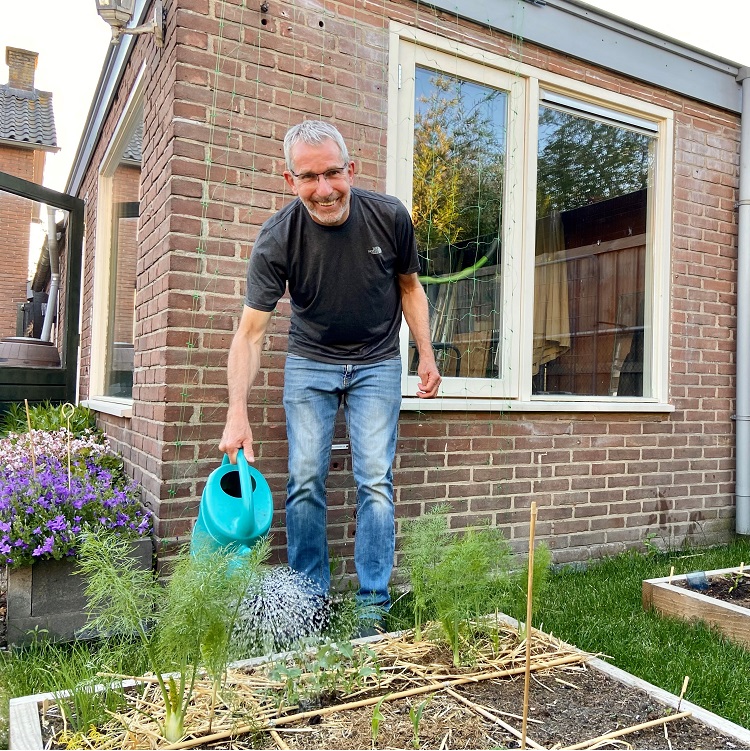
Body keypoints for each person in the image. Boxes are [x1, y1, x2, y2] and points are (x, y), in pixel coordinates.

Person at [219, 120, 441, 625]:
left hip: (378, 361)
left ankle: (372, 607)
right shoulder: (277, 239)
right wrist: (237, 412)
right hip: (310, 361)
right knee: (304, 480)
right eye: (308, 177)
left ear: (351, 170)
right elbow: (250, 334)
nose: (323, 190)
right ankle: (309, 606)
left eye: (333, 174)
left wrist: (424, 355)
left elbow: (410, 288)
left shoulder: (388, 217)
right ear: (289, 179)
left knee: (376, 482)